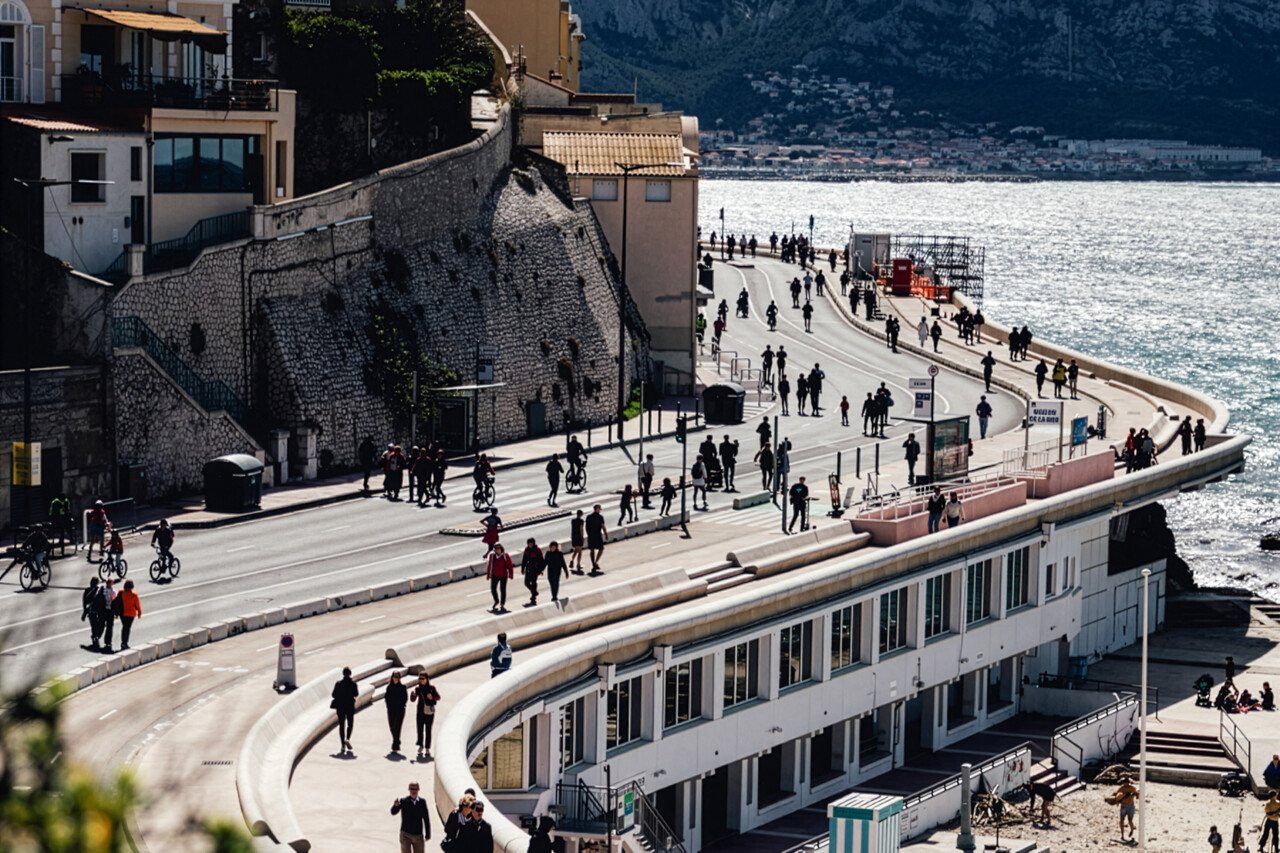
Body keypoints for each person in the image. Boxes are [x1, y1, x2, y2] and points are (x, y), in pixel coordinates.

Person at [391, 781, 431, 852]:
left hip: (418, 835)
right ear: (409, 790)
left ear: (418, 790)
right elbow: (393, 812)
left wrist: (428, 833)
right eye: (412, 789)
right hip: (405, 835)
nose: (413, 791)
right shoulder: (404, 801)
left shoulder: (422, 802)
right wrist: (395, 806)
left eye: (415, 789)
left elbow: (426, 818)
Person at [410, 672, 440, 757]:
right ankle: (420, 745)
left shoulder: (432, 688)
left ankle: (427, 747)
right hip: (420, 711)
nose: (421, 680)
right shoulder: (418, 688)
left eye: (422, 679)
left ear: (427, 679)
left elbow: (438, 697)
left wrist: (432, 697)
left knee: (428, 729)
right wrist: (413, 695)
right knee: (419, 729)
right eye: (420, 679)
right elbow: (413, 700)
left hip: (429, 712)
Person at [331, 666, 358, 752]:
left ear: (343, 674)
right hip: (350, 706)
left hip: (340, 707)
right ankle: (347, 738)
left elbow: (333, 695)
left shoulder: (338, 684)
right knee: (350, 724)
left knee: (342, 725)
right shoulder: (353, 684)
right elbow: (356, 694)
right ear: (350, 674)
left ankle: (342, 744)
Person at [384, 670, 408, 753]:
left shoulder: (403, 687)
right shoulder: (389, 687)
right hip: (391, 710)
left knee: (397, 727)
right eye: (394, 677)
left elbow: (405, 698)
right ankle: (397, 739)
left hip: (400, 710)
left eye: (397, 677)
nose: (396, 679)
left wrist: (401, 705)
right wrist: (388, 706)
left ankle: (395, 745)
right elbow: (386, 698)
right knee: (391, 726)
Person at [486, 544, 513, 612]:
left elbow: (510, 565)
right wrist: (488, 574)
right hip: (495, 575)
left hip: (503, 575)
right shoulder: (492, 556)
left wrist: (511, 574)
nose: (497, 550)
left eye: (498, 549)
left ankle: (502, 604)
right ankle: (496, 600)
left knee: (502, 590)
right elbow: (490, 565)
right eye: (496, 549)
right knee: (493, 589)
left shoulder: (505, 556)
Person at [81, 576, 105, 651]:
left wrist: (84, 612)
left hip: (96, 611)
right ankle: (95, 639)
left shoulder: (99, 589)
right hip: (94, 611)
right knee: (97, 626)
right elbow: (85, 602)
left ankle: (95, 638)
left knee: (97, 626)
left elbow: (84, 603)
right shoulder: (89, 590)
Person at [118, 579, 141, 650]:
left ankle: (123, 642)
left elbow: (117, 602)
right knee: (127, 628)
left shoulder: (121, 593)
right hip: (131, 614)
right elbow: (137, 605)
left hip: (122, 613)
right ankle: (125, 643)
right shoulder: (134, 595)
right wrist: (139, 612)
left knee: (124, 627)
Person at [521, 538, 544, 606]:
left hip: (535, 569)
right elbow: (524, 559)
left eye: (531, 543)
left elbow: (541, 560)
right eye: (529, 543)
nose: (530, 545)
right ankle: (534, 592)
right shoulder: (526, 550)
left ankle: (533, 597)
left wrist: (540, 570)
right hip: (528, 568)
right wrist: (522, 568)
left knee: (534, 582)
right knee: (526, 583)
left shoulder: (537, 550)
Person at [586, 505, 608, 574]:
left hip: (591, 535)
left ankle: (593, 563)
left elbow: (586, 527)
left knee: (592, 550)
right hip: (598, 535)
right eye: (599, 509)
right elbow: (603, 527)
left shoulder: (588, 517)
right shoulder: (600, 517)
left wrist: (589, 534)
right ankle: (595, 562)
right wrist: (606, 534)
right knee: (601, 549)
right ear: (597, 509)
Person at [101, 578, 117, 653]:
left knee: (103, 625)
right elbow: (114, 600)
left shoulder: (103, 590)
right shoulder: (112, 591)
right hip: (110, 610)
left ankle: (100, 637)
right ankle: (108, 642)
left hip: (103, 610)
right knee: (109, 627)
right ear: (111, 583)